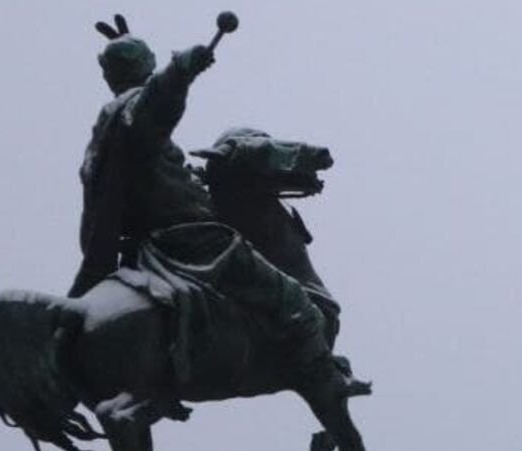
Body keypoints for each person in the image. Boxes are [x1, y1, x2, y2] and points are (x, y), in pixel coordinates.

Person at [72, 17, 331, 387]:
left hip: (145, 246)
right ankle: (321, 371)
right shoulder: (136, 113)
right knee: (292, 298)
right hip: (194, 243)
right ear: (144, 68)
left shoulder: (107, 129)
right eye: (147, 62)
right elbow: (157, 103)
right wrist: (180, 69)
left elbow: (161, 175)